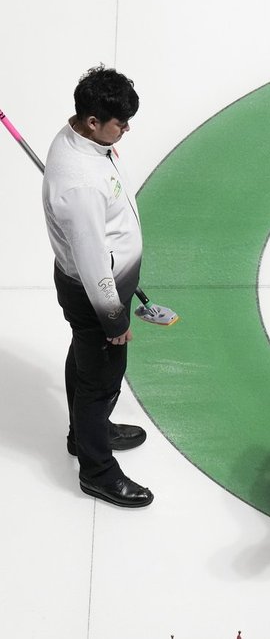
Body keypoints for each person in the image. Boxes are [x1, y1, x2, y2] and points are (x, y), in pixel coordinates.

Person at [42, 66, 153, 508]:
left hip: (94, 285)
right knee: (101, 382)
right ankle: (97, 471)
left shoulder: (81, 140)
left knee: (85, 362)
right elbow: (91, 262)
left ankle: (85, 433)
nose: (126, 129)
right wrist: (113, 318)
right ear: (92, 121)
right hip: (96, 296)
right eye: (120, 123)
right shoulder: (81, 184)